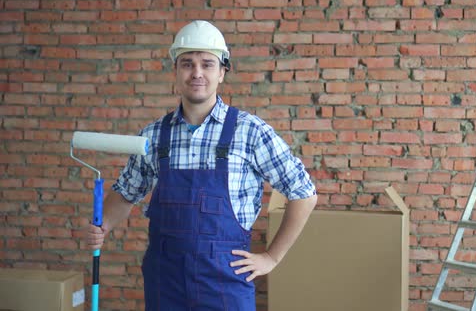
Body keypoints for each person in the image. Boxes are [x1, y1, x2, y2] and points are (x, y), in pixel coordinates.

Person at [85, 20, 317, 310]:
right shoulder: (153, 136)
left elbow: (304, 193)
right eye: (187, 63)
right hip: (165, 283)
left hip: (226, 284)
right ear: (175, 71)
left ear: (222, 72)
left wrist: (271, 257)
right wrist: (103, 225)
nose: (197, 73)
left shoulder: (250, 132)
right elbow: (125, 193)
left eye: (207, 64)